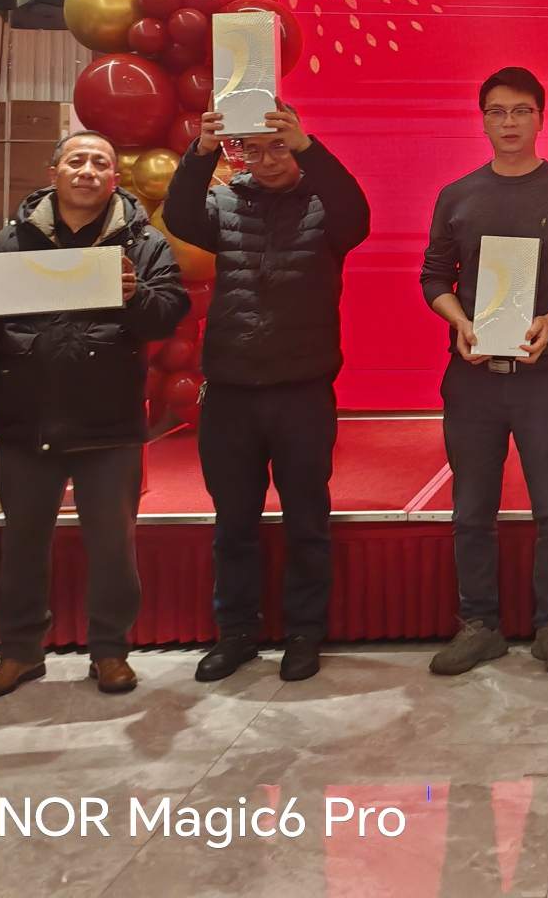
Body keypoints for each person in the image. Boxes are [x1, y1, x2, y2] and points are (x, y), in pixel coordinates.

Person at [0, 132, 189, 698]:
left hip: (108, 422)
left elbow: (168, 315)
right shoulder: (8, 242)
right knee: (22, 546)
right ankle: (20, 654)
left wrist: (135, 296)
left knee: (113, 548)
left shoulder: (144, 243)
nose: (88, 170)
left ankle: (110, 651)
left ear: (115, 177)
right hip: (26, 420)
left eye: (100, 163)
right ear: (54, 172)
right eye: (76, 160)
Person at [164, 102, 370, 684]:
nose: (267, 159)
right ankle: (236, 633)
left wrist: (307, 146)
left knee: (307, 519)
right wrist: (202, 151)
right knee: (234, 522)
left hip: (302, 390)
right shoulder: (223, 202)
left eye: (278, 145)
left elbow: (357, 215)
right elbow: (179, 216)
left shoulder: (324, 208)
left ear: (297, 143)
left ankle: (305, 633)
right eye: (252, 149)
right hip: (231, 391)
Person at [422, 68, 548, 678]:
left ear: (540, 118)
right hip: (473, 375)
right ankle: (478, 625)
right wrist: (460, 321)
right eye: (497, 111)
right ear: (483, 119)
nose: (509, 122)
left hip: (546, 374)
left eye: (521, 111)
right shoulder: (458, 195)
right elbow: (434, 276)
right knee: (471, 509)